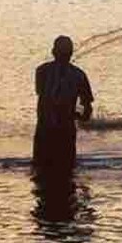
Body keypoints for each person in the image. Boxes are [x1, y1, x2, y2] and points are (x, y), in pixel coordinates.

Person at [33, 35, 93, 173]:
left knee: (41, 172)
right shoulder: (78, 75)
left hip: (47, 130)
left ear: (53, 52)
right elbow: (87, 109)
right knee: (65, 172)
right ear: (71, 53)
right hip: (59, 131)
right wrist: (77, 115)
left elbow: (41, 93)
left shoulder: (42, 71)